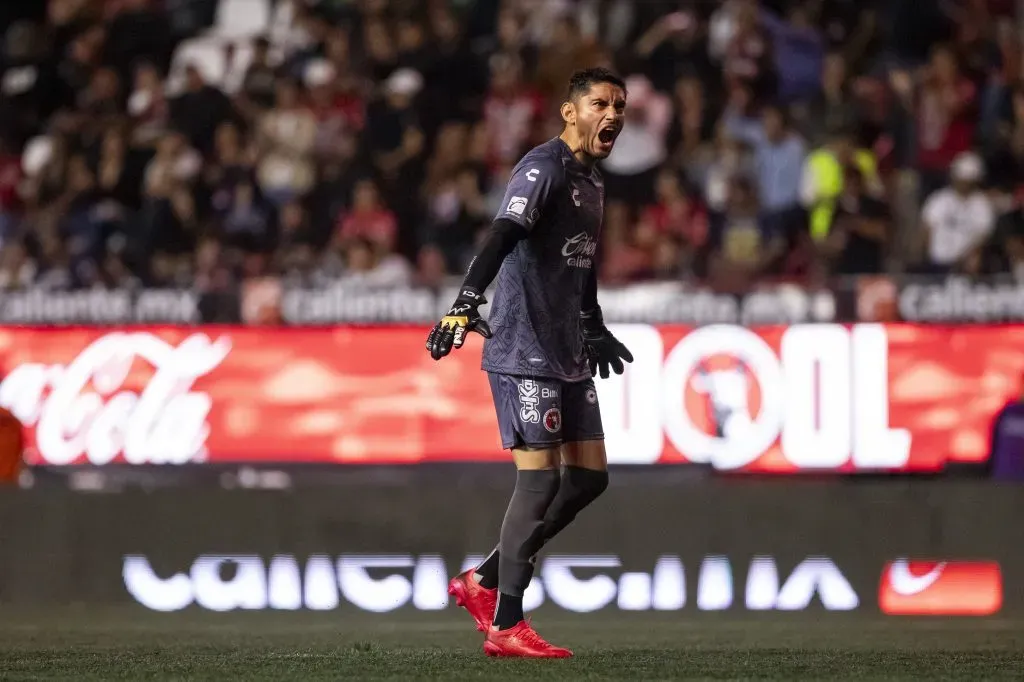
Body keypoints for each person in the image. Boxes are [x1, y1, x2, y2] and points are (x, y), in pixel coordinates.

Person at [424, 68, 632, 658]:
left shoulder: (591, 182)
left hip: (567, 348)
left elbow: (581, 263)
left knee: (590, 478)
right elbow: (501, 235)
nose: (612, 113)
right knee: (538, 482)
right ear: (570, 112)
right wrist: (465, 304)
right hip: (524, 347)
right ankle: (506, 624)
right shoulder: (543, 168)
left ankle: (484, 578)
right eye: (599, 103)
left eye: (619, 105)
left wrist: (593, 326)